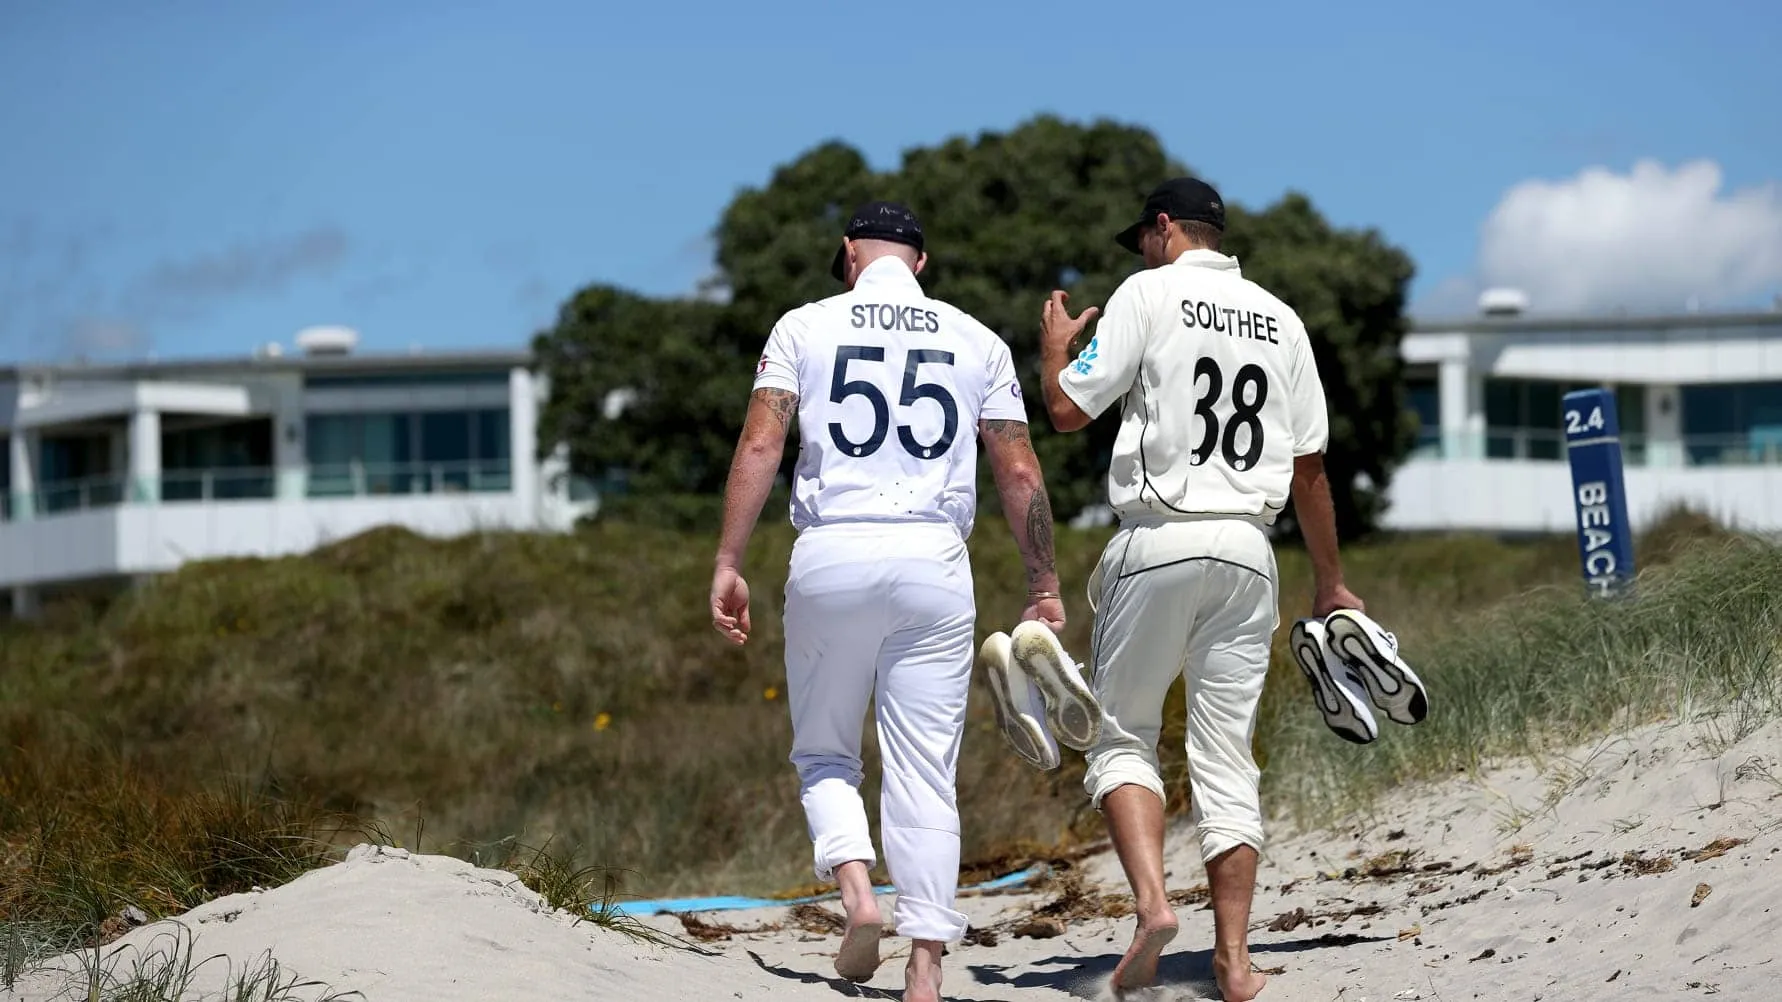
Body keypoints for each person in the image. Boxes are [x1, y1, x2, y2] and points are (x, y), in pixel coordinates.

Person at [710, 200, 1073, 1002]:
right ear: (921, 263)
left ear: (849, 255)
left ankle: (858, 896)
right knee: (925, 771)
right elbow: (1018, 470)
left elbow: (763, 443)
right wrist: (1043, 583)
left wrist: (730, 560)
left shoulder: (802, 327)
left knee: (825, 753)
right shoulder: (977, 339)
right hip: (933, 562)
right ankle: (926, 966)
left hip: (832, 553)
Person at [1035, 177, 1365, 1001]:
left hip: (1160, 537)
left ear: (1164, 229)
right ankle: (1235, 962)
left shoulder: (1147, 293)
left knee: (1121, 737)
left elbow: (1067, 411)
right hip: (1250, 550)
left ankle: (1153, 907)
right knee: (1227, 757)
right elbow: (1310, 469)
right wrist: (1330, 580)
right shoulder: (1281, 318)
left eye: (1143, 240)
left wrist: (1054, 350)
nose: (1143, 254)